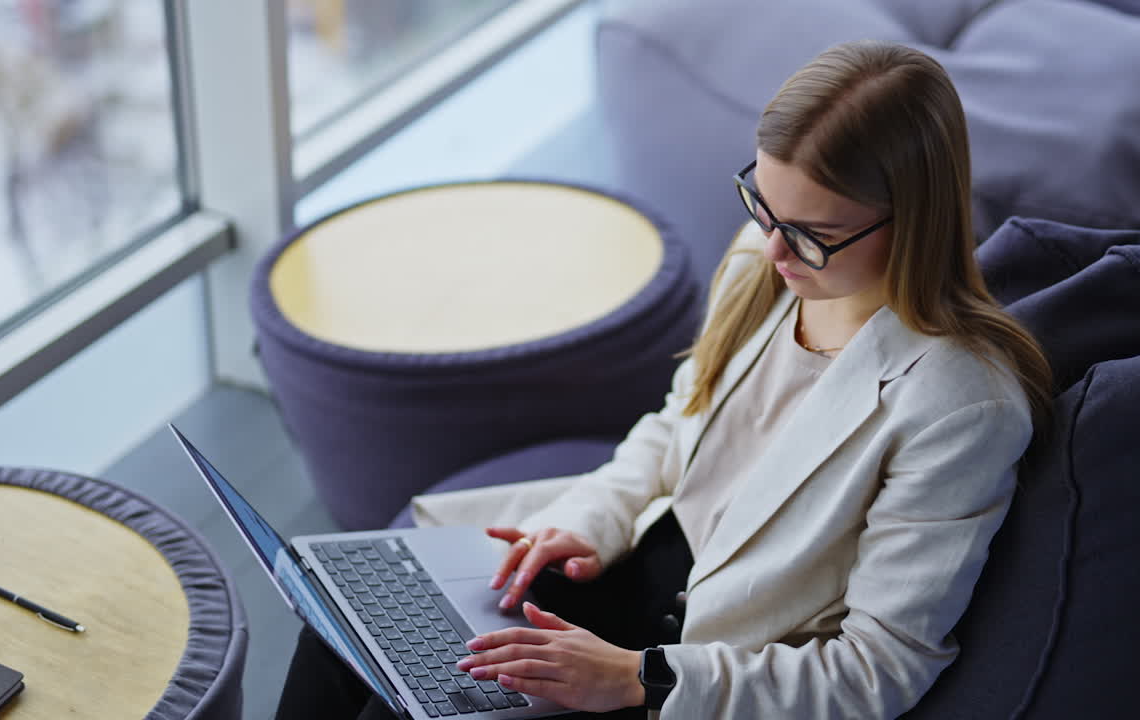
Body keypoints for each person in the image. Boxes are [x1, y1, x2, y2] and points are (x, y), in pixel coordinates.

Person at [275, 39, 1053, 719]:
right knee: (343, 631)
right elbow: (679, 421)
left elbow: (879, 668)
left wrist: (633, 677)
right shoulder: (764, 268)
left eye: (812, 236)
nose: (776, 252)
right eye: (764, 206)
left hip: (704, 670)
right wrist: (590, 519)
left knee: (414, 703)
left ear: (911, 220)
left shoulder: (961, 404)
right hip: (627, 575)